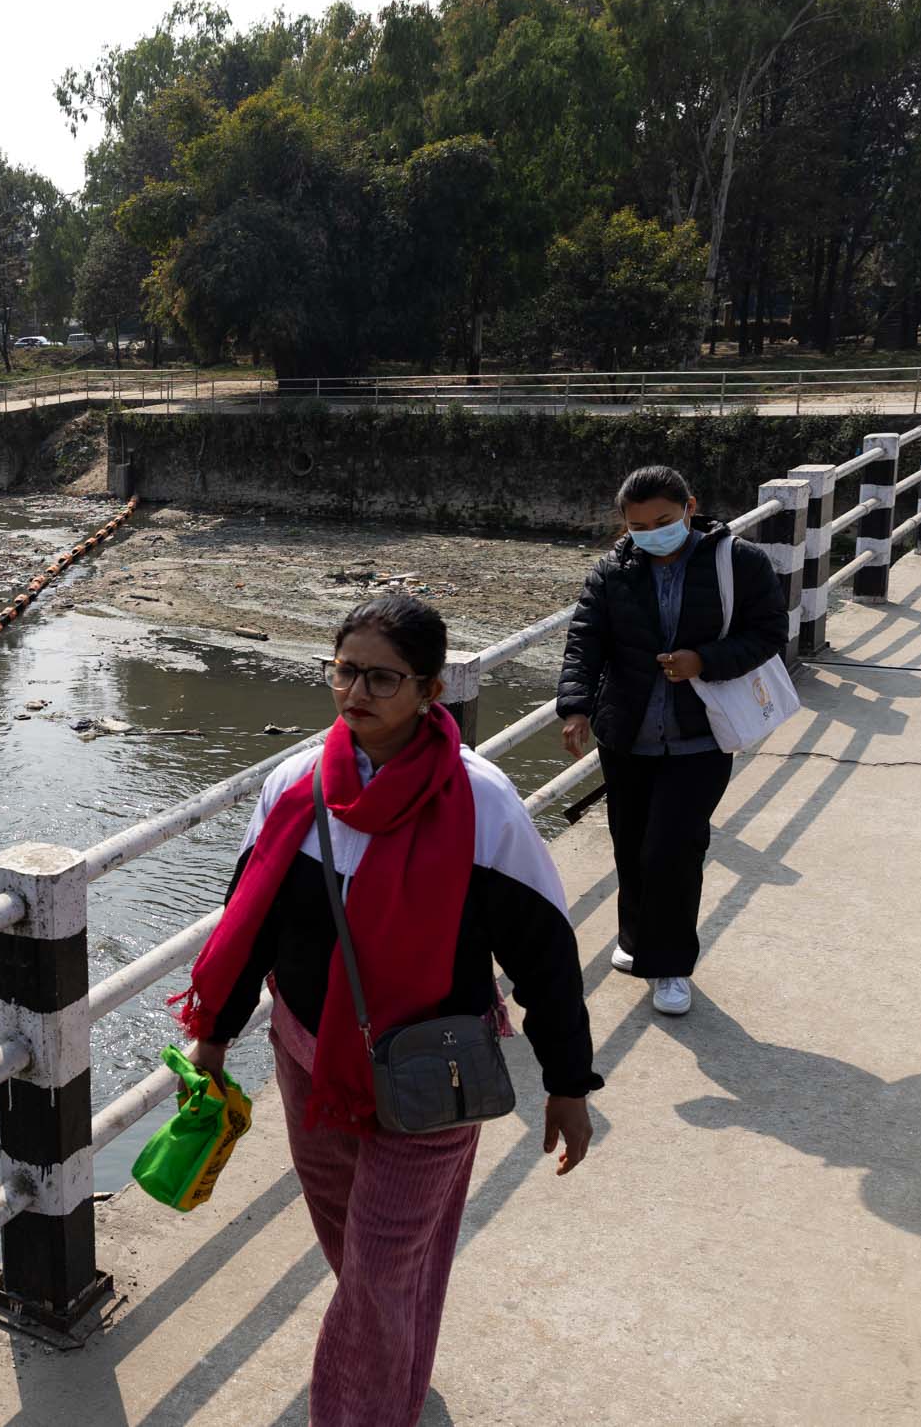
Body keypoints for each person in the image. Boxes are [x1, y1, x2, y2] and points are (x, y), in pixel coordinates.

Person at [175, 594, 598, 1427]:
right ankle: (393, 1359)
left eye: (383, 677)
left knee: (375, 1273)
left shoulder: (483, 804)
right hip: (309, 1056)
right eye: (345, 671)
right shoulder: (295, 785)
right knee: (359, 1250)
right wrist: (214, 1035)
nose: (357, 692)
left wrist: (569, 1082)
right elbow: (247, 920)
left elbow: (545, 953)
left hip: (432, 1074)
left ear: (431, 689)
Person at [556, 465, 787, 1016]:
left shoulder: (740, 562)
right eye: (637, 525)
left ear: (690, 507)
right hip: (627, 736)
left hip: (699, 737)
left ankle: (671, 966)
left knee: (674, 852)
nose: (651, 532)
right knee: (632, 846)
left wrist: (703, 660)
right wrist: (577, 707)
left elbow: (769, 633)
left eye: (663, 520)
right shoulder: (612, 570)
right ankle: (636, 942)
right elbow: (585, 642)